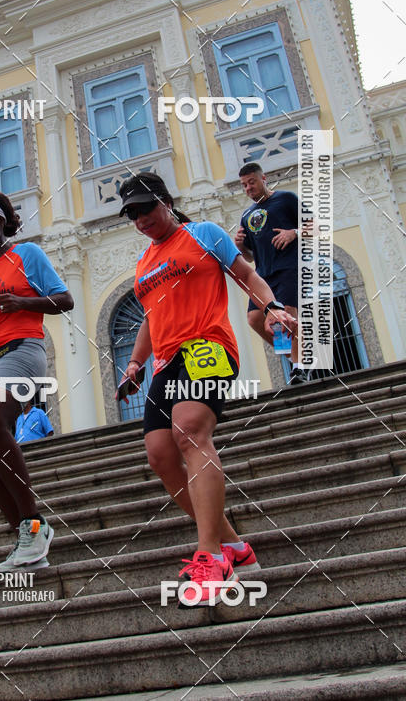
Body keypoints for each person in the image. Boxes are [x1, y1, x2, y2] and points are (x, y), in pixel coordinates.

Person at [118, 173, 296, 604]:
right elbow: (149, 318)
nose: (140, 219)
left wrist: (271, 307)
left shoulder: (203, 234)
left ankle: (211, 556)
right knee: (160, 455)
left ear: (165, 201)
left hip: (207, 347)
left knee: (190, 430)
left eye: (146, 208)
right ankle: (235, 544)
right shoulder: (144, 263)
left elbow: (247, 275)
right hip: (164, 362)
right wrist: (135, 362)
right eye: (132, 214)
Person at [0, 188, 74, 571]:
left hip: (23, 351)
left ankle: (35, 525)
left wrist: (24, 303)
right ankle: (26, 535)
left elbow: (65, 300)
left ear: (0, 221)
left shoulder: (27, 255)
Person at [234, 163, 305, 385]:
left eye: (252, 182)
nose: (248, 188)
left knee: (288, 314)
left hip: (288, 266)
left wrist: (293, 232)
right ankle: (295, 356)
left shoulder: (285, 199)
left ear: (263, 178)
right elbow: (249, 257)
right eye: (244, 185)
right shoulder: (247, 215)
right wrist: (240, 247)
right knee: (254, 319)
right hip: (264, 275)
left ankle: (299, 367)